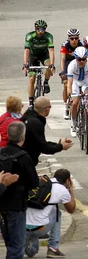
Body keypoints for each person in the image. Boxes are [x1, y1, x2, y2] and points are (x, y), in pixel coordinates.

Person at [0, 122, 39, 259]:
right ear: (23, 137)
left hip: (2, 204)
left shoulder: (1, 153)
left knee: (10, 242)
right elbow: (34, 183)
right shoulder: (23, 157)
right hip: (16, 206)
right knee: (17, 246)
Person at [24, 168, 75, 258]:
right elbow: (71, 209)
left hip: (23, 228)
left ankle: (25, 244)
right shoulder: (62, 189)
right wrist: (71, 191)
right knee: (56, 212)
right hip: (40, 229)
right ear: (68, 181)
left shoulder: (40, 182)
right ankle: (53, 248)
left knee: (32, 252)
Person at [21, 97, 72, 167]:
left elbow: (39, 142)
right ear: (47, 109)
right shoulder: (36, 123)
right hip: (26, 161)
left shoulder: (28, 117)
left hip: (23, 157)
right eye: (50, 107)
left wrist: (58, 145)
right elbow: (43, 147)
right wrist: (61, 146)